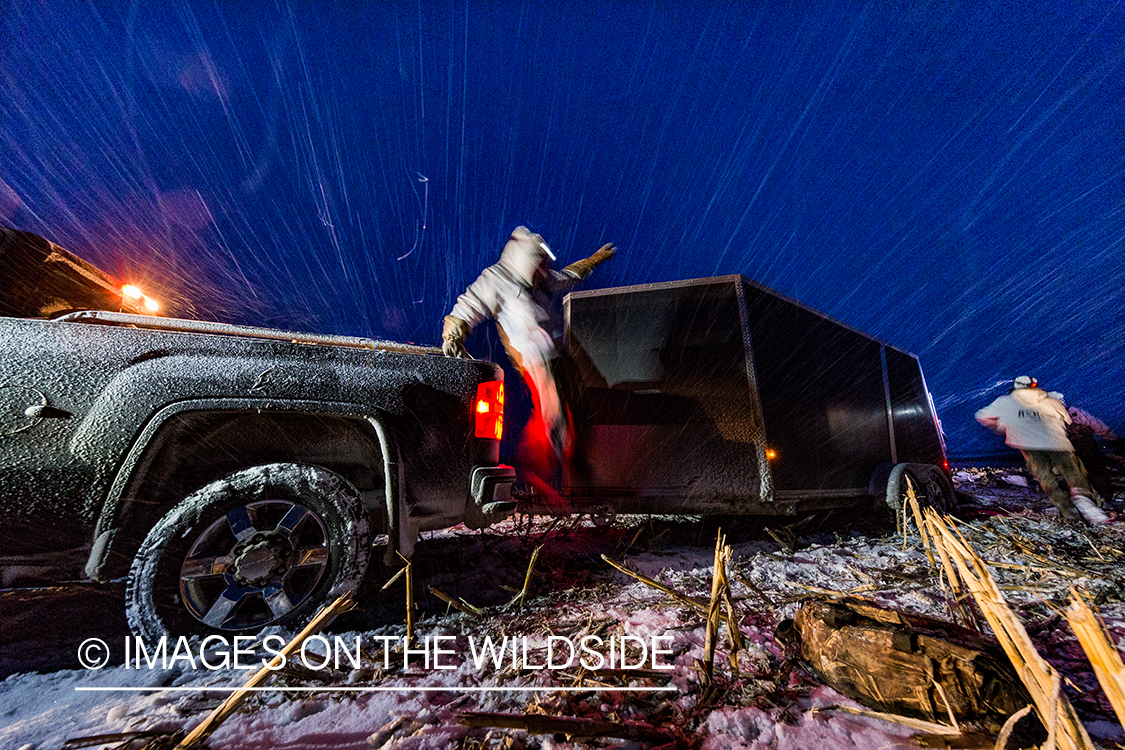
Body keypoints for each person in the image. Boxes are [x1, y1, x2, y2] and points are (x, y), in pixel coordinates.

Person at [441, 226, 616, 505]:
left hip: (560, 353)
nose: (542, 272)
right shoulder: (496, 278)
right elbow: (469, 304)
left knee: (582, 409)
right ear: (525, 258)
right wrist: (453, 331)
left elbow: (564, 277)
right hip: (535, 360)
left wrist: (593, 260)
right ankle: (530, 472)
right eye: (538, 265)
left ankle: (579, 462)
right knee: (554, 414)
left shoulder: (537, 279)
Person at [975, 376, 1108, 524]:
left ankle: (1070, 514)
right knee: (1074, 473)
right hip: (1058, 444)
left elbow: (982, 416)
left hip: (1030, 448)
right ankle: (1084, 499)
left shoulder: (1005, 402)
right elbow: (1067, 420)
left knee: (1047, 481)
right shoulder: (1051, 401)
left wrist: (1001, 426)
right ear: (1034, 386)